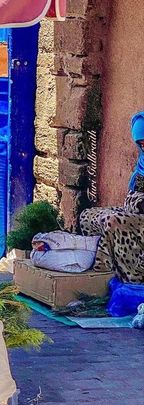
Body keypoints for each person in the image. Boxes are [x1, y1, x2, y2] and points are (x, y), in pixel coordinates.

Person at [80, 112, 144, 283]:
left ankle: (132, 280)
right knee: (88, 215)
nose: (143, 146)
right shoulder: (142, 163)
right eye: (140, 143)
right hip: (136, 214)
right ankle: (100, 276)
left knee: (113, 220)